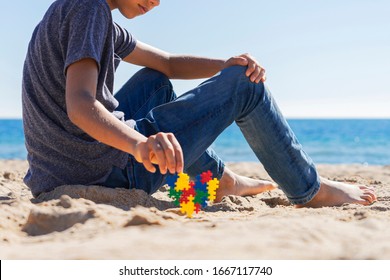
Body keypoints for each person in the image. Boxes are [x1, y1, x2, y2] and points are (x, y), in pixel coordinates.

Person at [22, 0, 376, 208]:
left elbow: (169, 64)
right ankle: (309, 189)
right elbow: (80, 105)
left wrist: (226, 64)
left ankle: (218, 179)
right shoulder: (91, 11)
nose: (157, 2)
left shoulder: (77, 11)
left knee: (155, 82)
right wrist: (140, 144)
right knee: (244, 87)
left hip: (60, 171)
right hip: (104, 171)